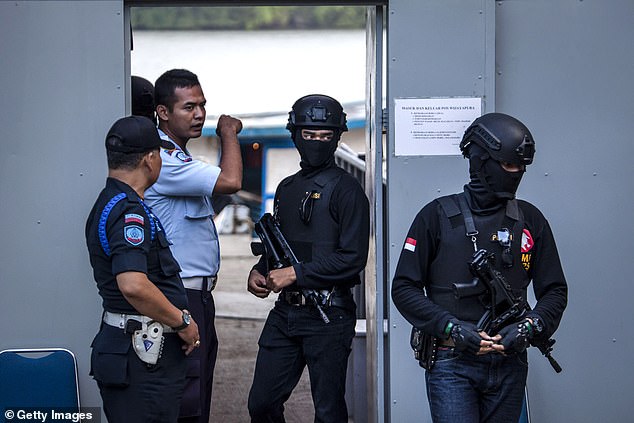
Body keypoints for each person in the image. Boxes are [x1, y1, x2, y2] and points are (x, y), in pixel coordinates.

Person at [391, 113, 568, 423]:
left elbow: (554, 290)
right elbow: (404, 288)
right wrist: (451, 327)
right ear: (480, 161)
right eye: (510, 165)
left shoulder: (530, 220)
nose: (517, 174)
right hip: (451, 361)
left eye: (522, 168)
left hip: (509, 361)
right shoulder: (436, 216)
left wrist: (529, 327)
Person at [247, 94, 370, 423]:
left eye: (325, 136)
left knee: (328, 412)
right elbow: (282, 248)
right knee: (261, 404)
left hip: (329, 315)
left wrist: (295, 274)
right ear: (294, 134)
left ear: (337, 137)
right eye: (309, 135)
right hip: (285, 313)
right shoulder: (287, 188)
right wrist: (260, 270)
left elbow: (353, 258)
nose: (316, 142)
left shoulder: (347, 190)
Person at [86, 115, 201, 422]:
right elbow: (133, 284)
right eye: (160, 153)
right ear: (150, 159)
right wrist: (182, 322)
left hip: (135, 354)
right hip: (142, 360)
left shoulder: (113, 201)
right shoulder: (128, 211)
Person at [144, 68, 243, 423]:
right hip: (179, 295)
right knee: (187, 397)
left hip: (197, 294)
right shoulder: (164, 160)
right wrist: (229, 134)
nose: (200, 114)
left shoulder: (179, 157)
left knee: (198, 392)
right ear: (163, 112)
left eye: (202, 105)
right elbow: (230, 181)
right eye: (189, 107)